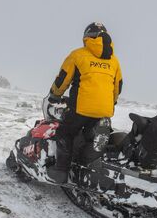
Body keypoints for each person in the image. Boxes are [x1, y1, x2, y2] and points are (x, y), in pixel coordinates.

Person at [46, 22, 123, 184]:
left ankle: (61, 171)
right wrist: (112, 103)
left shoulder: (77, 55)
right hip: (104, 111)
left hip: (81, 108)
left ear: (87, 38)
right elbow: (117, 86)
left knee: (65, 133)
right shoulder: (114, 61)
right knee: (92, 136)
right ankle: (86, 165)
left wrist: (54, 95)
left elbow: (63, 79)